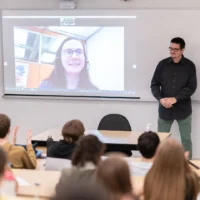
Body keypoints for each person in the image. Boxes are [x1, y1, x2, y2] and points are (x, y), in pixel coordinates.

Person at [151, 37, 197, 159]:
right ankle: (162, 165)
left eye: (175, 49)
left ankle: (188, 168)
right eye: (170, 48)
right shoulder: (162, 64)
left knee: (186, 140)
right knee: (161, 139)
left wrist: (175, 99)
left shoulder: (190, 66)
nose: (172, 52)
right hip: (165, 109)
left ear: (182, 50)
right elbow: (154, 84)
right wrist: (160, 99)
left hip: (183, 110)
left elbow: (192, 87)